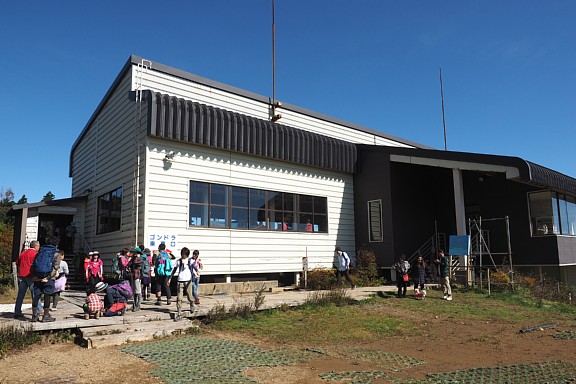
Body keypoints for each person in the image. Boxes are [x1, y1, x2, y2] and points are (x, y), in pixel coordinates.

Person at [31, 236, 61, 322]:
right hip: (49, 278)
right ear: (56, 243)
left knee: (36, 296)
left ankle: (34, 316)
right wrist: (48, 278)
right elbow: (55, 268)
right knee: (47, 296)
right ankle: (46, 316)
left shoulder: (40, 251)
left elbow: (34, 264)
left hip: (38, 277)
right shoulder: (56, 253)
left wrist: (35, 276)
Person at [14, 240, 43, 319]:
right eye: (38, 246)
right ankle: (39, 308)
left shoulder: (23, 253)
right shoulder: (35, 254)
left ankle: (17, 311)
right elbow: (37, 265)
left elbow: (17, 263)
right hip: (30, 275)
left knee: (20, 294)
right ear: (35, 246)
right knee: (34, 293)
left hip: (22, 275)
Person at [168, 247, 195, 320]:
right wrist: (170, 278)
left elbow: (195, 267)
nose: (183, 256)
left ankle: (192, 304)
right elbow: (174, 269)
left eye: (185, 255)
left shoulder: (190, 261)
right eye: (182, 254)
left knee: (190, 295)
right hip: (180, 281)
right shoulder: (178, 261)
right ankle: (179, 312)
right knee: (179, 297)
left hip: (188, 280)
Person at [127, 247, 144, 311]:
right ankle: (134, 304)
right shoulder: (133, 259)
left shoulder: (139, 259)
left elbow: (136, 262)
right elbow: (128, 265)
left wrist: (135, 257)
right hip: (133, 276)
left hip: (137, 276)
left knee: (138, 291)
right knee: (134, 291)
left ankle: (138, 305)